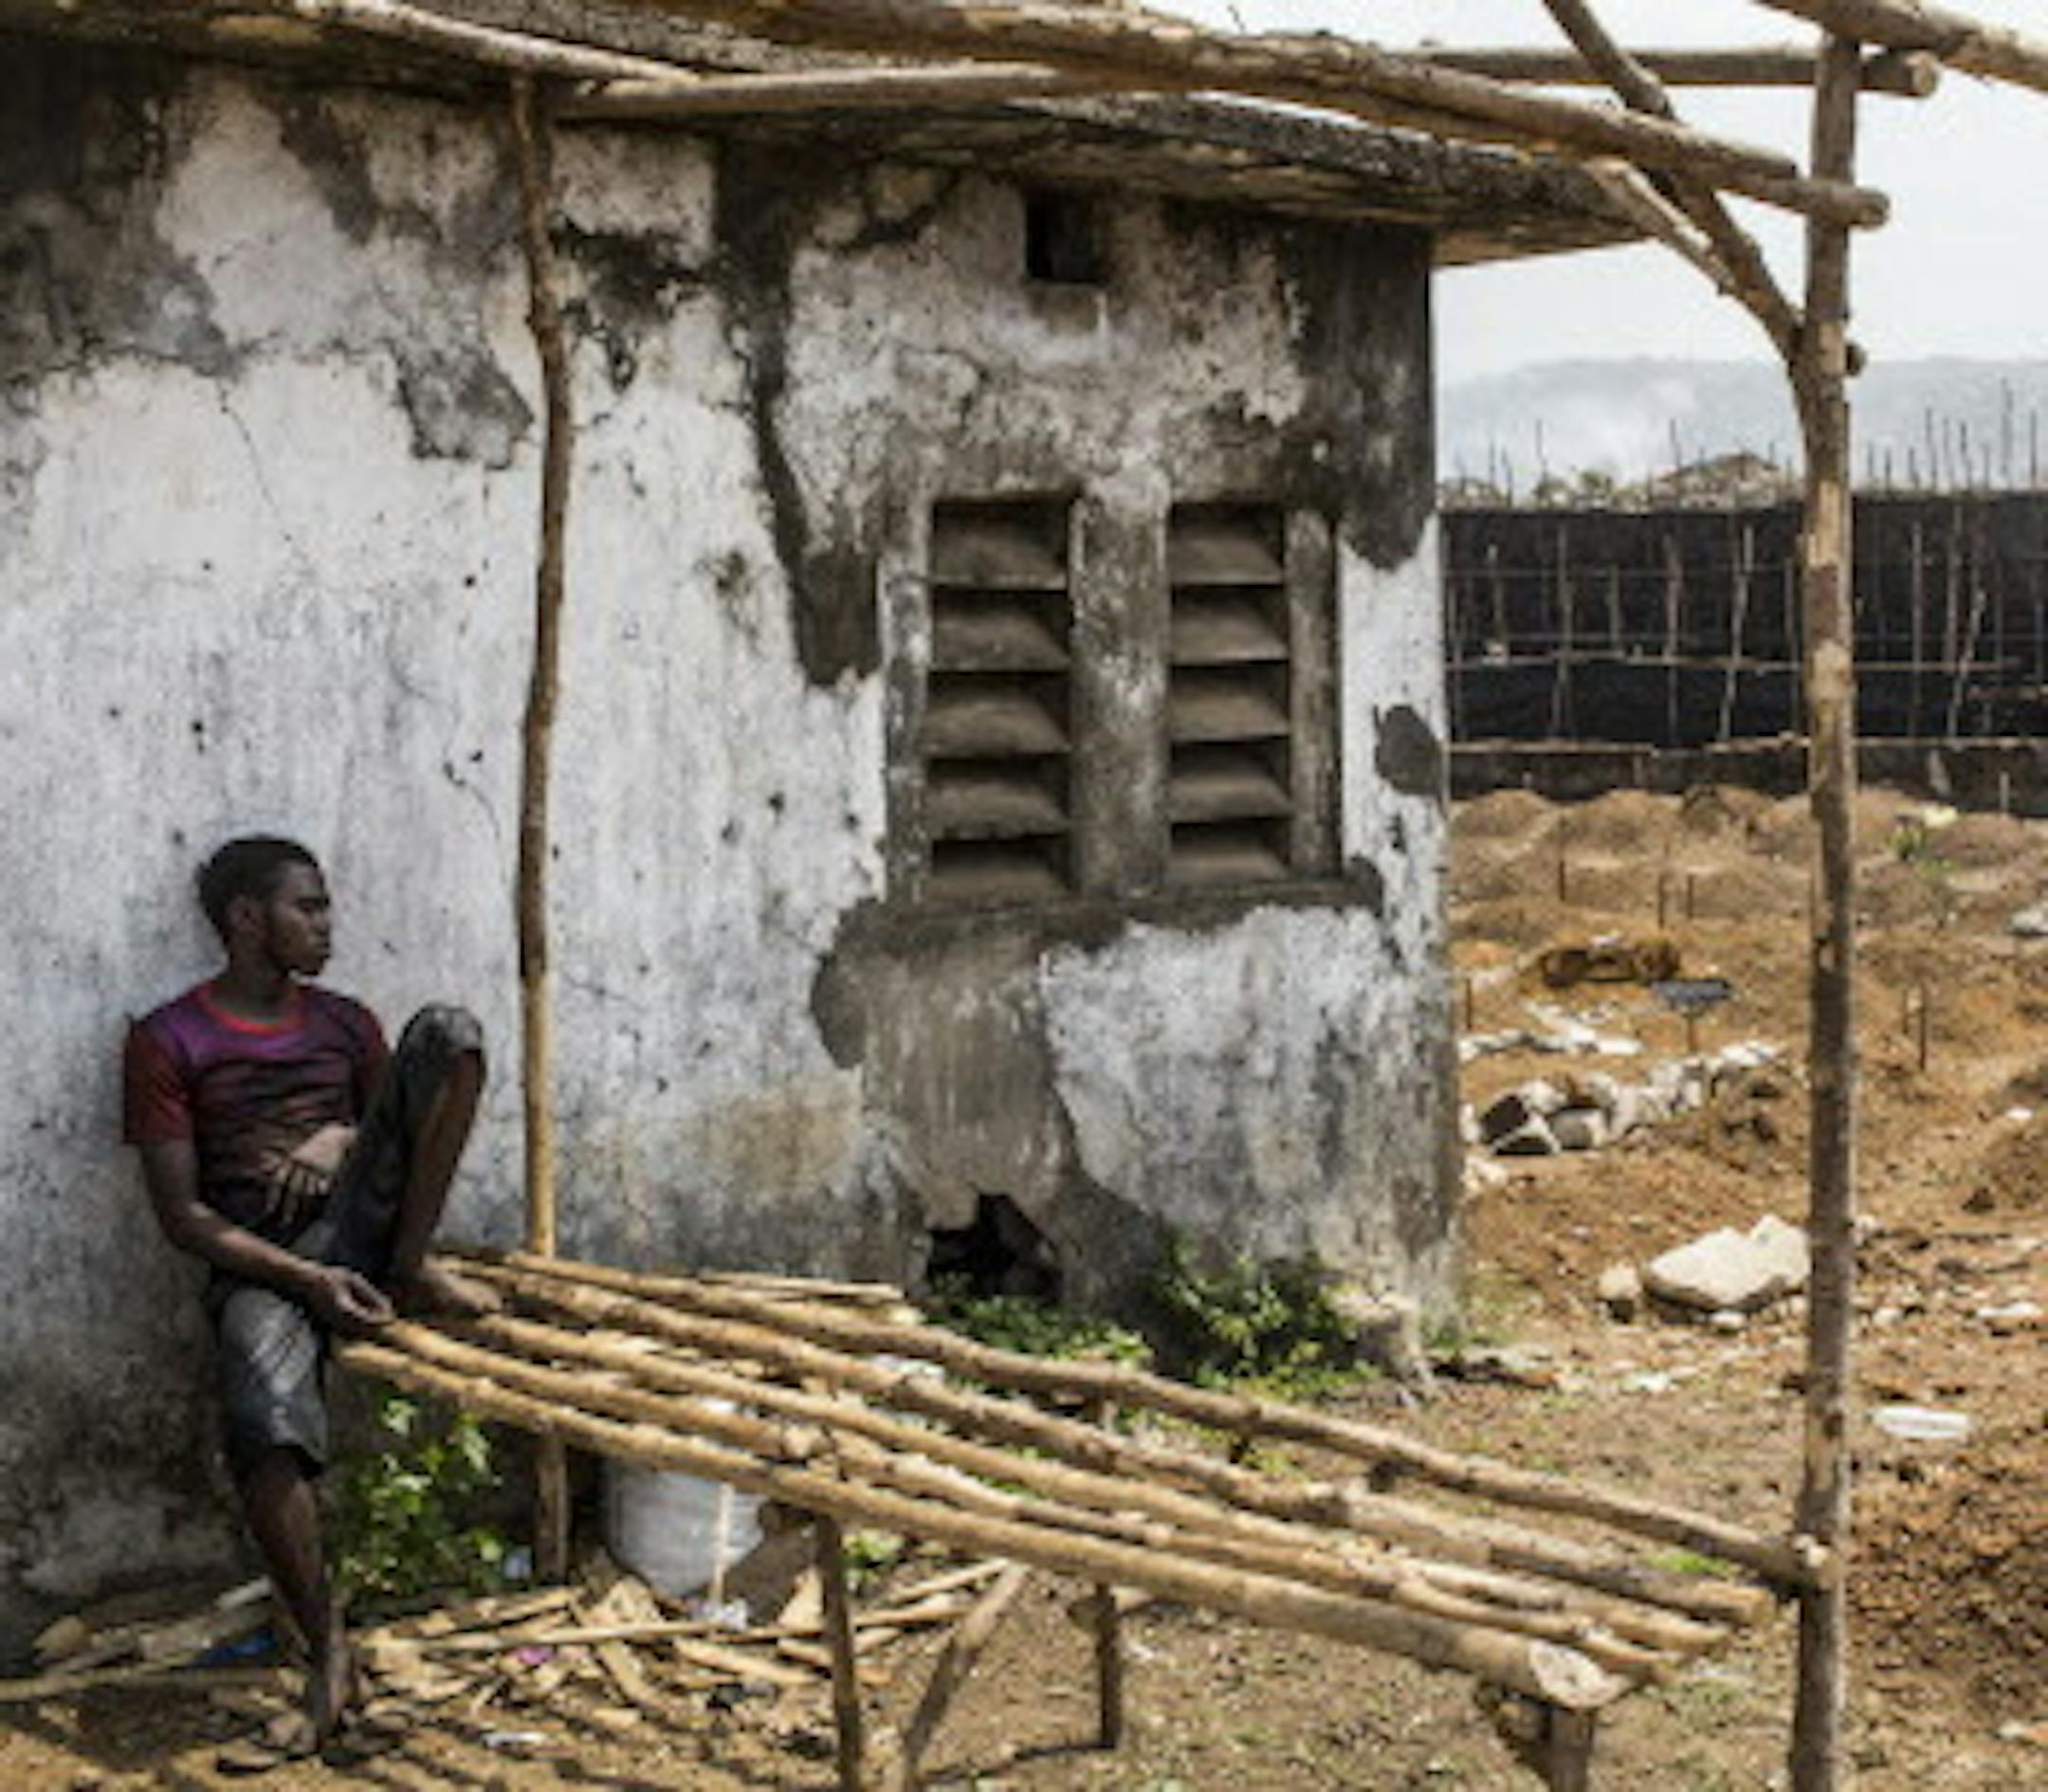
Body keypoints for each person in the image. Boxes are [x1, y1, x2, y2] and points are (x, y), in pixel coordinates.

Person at [123, 835, 498, 1765]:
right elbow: (183, 1217)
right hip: (265, 1265)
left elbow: (395, 1135)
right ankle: (328, 1654)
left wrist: (338, 1134)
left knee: (450, 1034)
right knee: (266, 1430)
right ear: (248, 920)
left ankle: (410, 1266)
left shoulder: (345, 1022)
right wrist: (307, 1280)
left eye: (325, 908)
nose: (327, 925)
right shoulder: (169, 1038)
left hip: (367, 1238)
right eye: (310, 908)